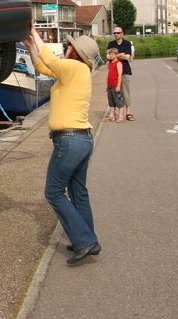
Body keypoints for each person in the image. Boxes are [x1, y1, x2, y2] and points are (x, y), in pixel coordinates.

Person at [26, 28, 102, 266]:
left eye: (69, 45)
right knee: (78, 192)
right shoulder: (74, 73)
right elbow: (42, 67)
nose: (66, 47)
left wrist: (32, 31)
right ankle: (88, 238)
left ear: (76, 52)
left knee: (53, 192)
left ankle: (85, 240)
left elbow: (48, 58)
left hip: (69, 141)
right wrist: (29, 44)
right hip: (80, 139)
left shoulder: (76, 68)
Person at [107, 27, 135, 121]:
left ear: (122, 33)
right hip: (113, 72)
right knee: (113, 93)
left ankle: (128, 113)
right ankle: (113, 114)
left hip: (125, 71)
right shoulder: (111, 44)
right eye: (114, 32)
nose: (116, 34)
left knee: (125, 92)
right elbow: (107, 56)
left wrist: (114, 56)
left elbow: (128, 57)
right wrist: (120, 55)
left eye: (118, 33)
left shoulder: (127, 43)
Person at [104, 47, 124, 123]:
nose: (111, 56)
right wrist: (106, 85)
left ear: (116, 55)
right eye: (110, 54)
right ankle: (112, 116)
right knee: (111, 101)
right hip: (110, 85)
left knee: (119, 100)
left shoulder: (118, 63)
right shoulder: (110, 63)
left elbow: (120, 75)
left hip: (116, 85)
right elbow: (108, 74)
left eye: (112, 54)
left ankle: (121, 116)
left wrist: (118, 85)